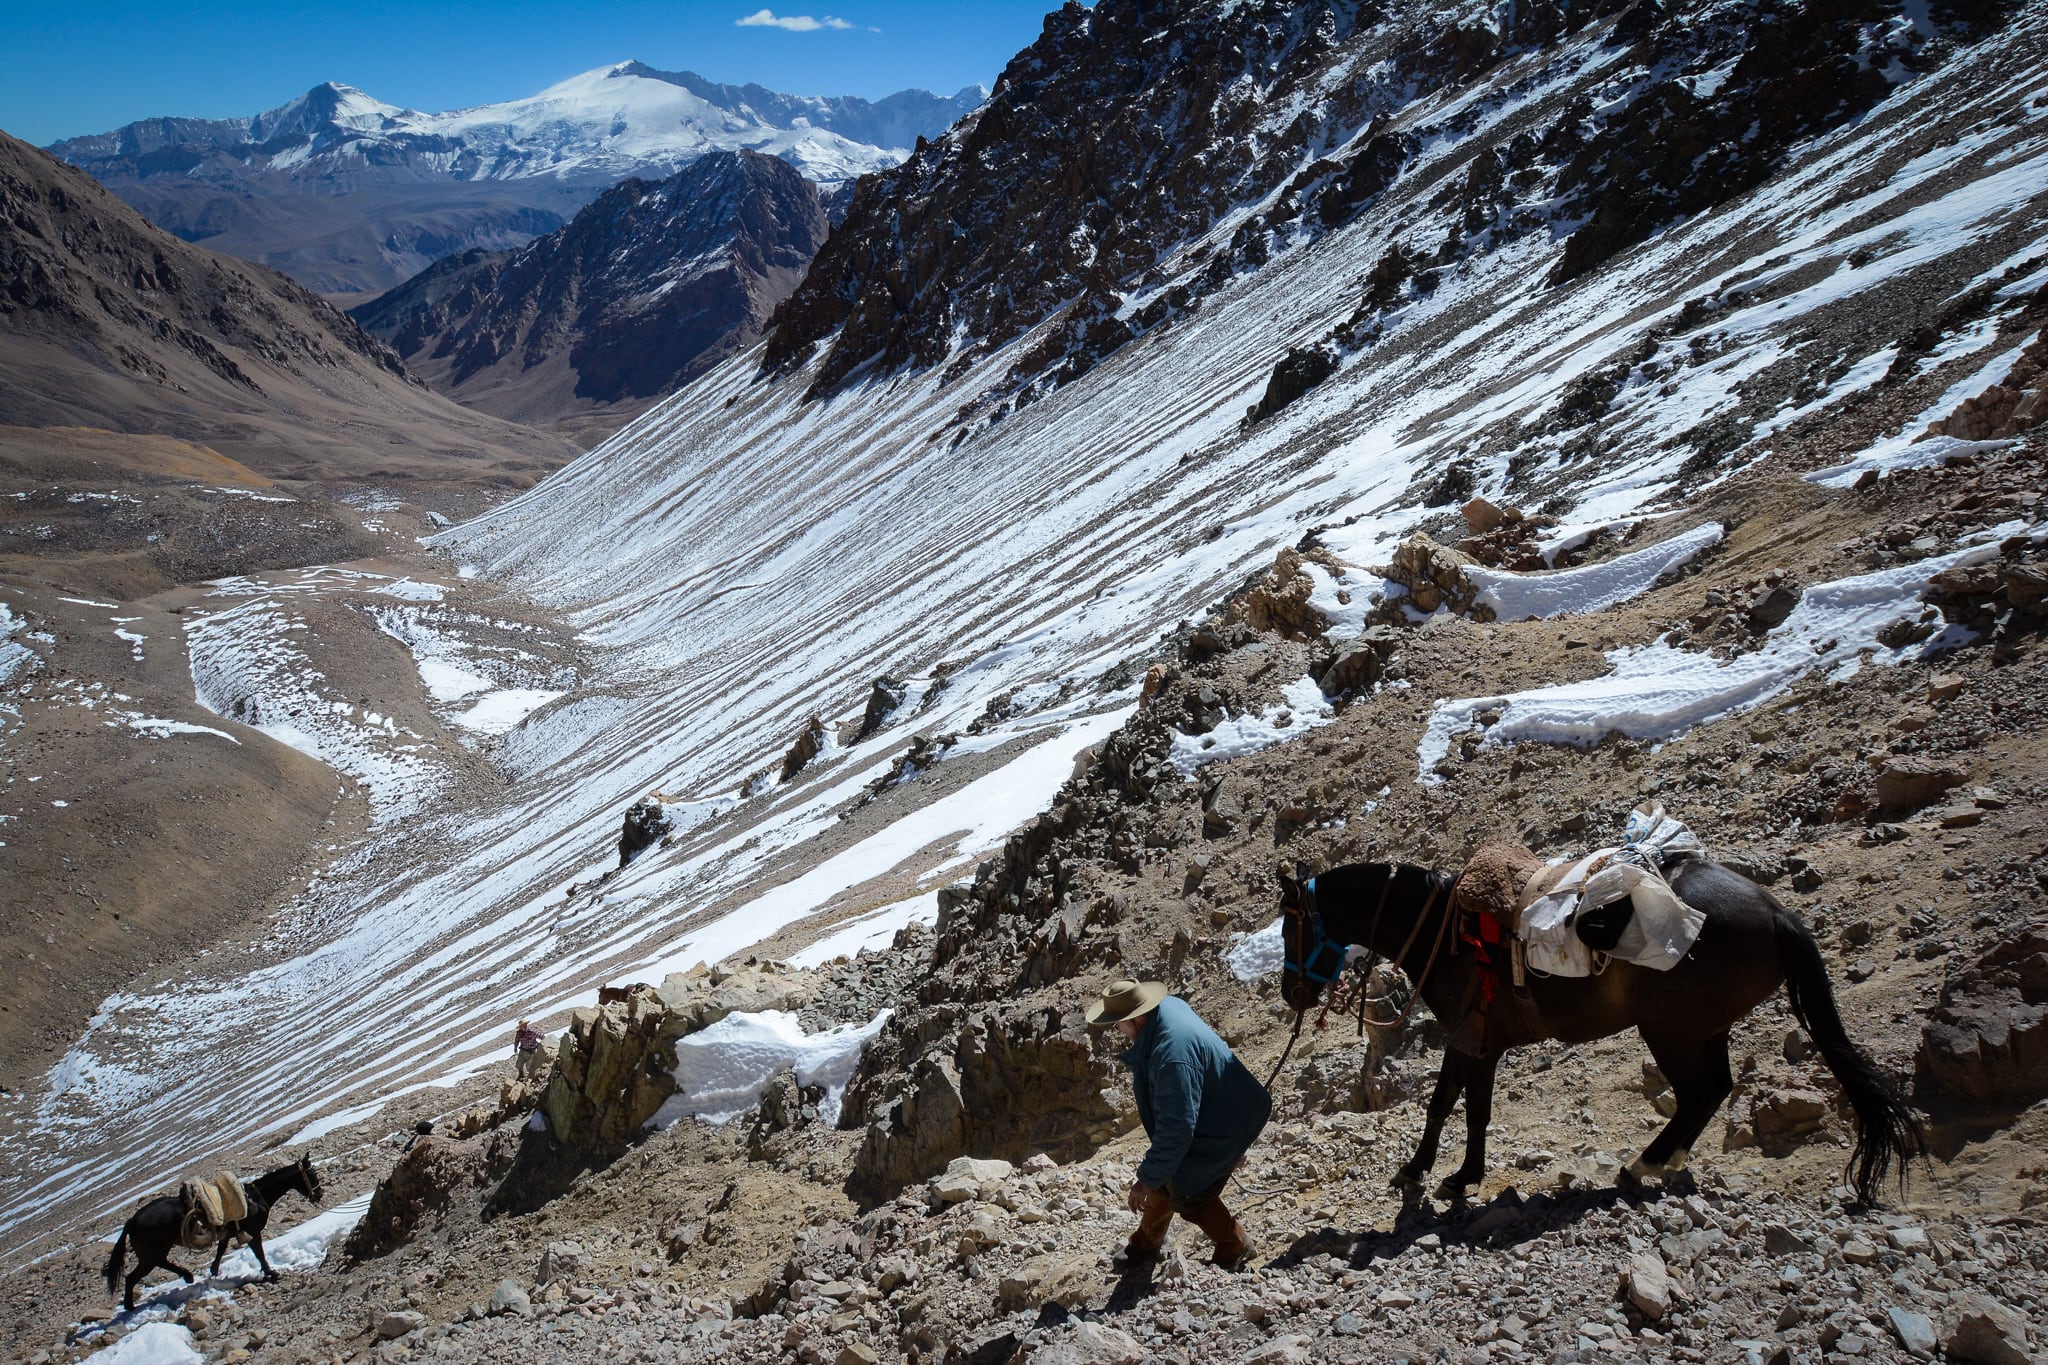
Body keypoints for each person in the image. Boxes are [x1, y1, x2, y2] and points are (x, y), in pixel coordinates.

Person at [1086, 979, 1271, 1269]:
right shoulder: (1167, 1007)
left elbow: (1177, 1130)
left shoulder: (1171, 1056)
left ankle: (1234, 1243)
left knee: (1189, 1189)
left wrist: (1145, 1180)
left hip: (1232, 1118)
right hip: (1220, 1102)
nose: (1117, 1030)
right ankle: (1146, 1242)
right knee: (1167, 1171)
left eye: (1118, 1023)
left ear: (1136, 1018)